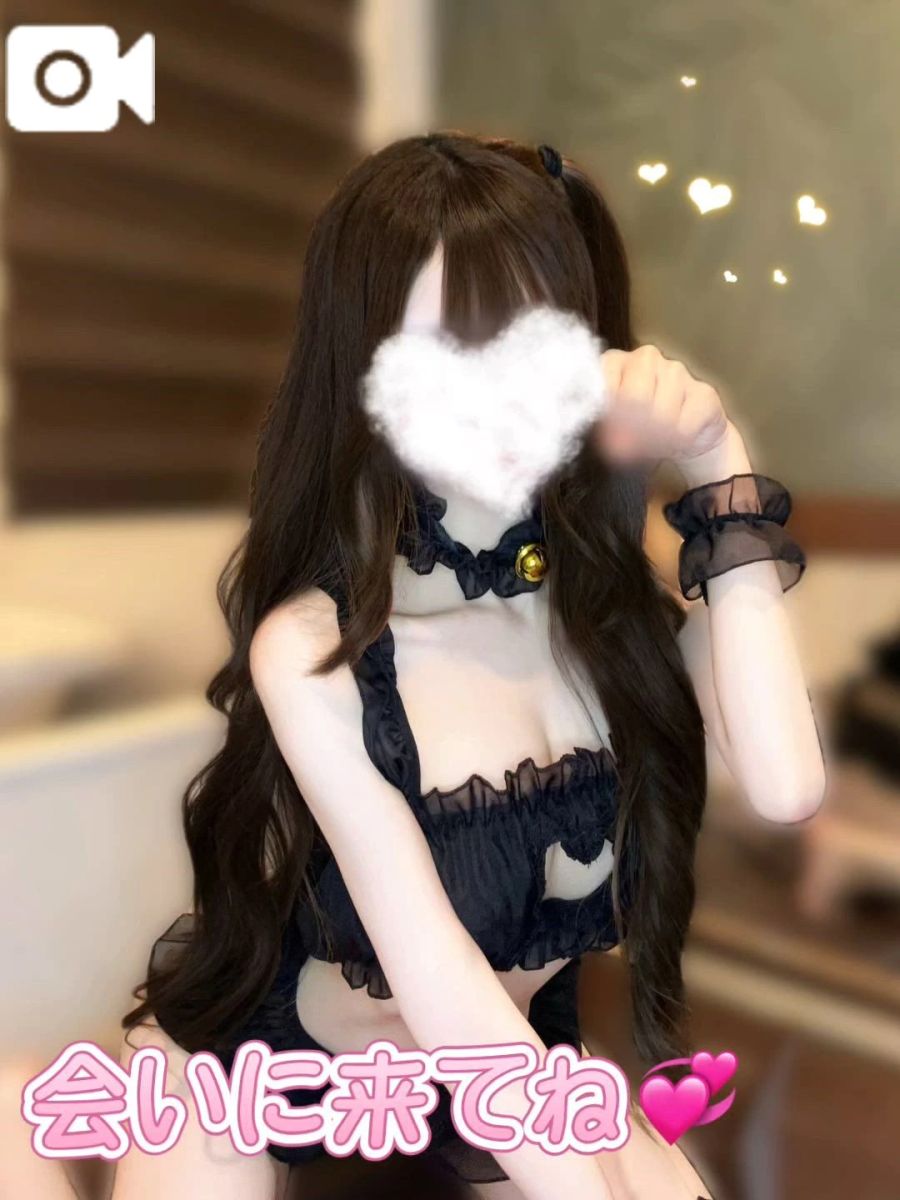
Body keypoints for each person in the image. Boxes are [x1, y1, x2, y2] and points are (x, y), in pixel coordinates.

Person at [48, 132, 826, 1200]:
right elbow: (441, 984)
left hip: (503, 1065)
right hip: (276, 1074)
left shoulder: (612, 618)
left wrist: (717, 457)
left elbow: (787, 786)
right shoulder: (315, 648)